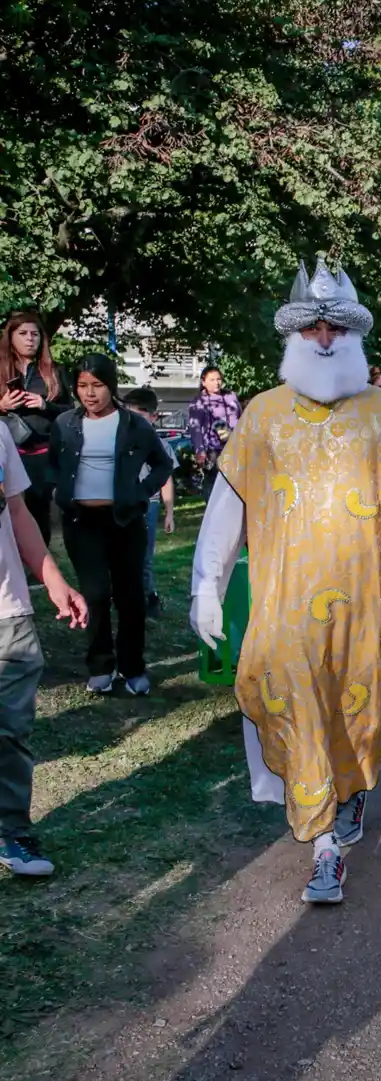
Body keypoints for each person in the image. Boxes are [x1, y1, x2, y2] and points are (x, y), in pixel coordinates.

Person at [190, 259, 381, 905]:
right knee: (300, 715)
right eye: (313, 327)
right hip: (287, 611)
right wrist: (206, 584)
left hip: (372, 610)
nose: (326, 338)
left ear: (354, 334)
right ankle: (324, 844)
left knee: (356, 720)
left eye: (337, 327)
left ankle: (352, 792)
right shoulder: (263, 415)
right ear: (294, 334)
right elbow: (230, 504)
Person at [50, 355, 176, 696]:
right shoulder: (65, 423)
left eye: (98, 386)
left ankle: (133, 667)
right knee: (95, 595)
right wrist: (60, 492)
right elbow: (52, 464)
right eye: (82, 386)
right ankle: (101, 666)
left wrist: (141, 492)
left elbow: (163, 465)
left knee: (130, 596)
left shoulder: (135, 425)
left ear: (111, 386)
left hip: (125, 521)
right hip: (81, 522)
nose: (90, 394)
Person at [0, 425, 88, 878]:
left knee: (11, 732)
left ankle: (12, 830)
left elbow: (15, 510)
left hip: (7, 610)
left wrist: (52, 578)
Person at [0, 311, 71, 546]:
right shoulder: (1, 369)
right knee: (7, 511)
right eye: (23, 333)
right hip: (6, 452)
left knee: (38, 512)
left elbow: (71, 412)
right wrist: (1, 406)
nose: (30, 339)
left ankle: (38, 571)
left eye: (35, 334)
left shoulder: (54, 371)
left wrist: (45, 405)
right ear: (10, 337)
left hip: (41, 454)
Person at [122, 388, 178, 619]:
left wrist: (169, 513)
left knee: (143, 557)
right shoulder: (119, 443)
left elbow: (166, 480)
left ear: (153, 417)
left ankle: (148, 599)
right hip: (122, 504)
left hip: (149, 505)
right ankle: (127, 598)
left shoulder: (161, 446)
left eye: (139, 415)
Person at [186, 365, 240, 498]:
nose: (217, 382)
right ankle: (211, 512)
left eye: (219, 379)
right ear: (203, 382)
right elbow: (195, 427)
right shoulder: (198, 402)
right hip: (213, 449)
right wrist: (200, 450)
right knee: (213, 481)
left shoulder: (230, 396)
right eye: (212, 379)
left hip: (234, 445)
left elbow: (240, 417)